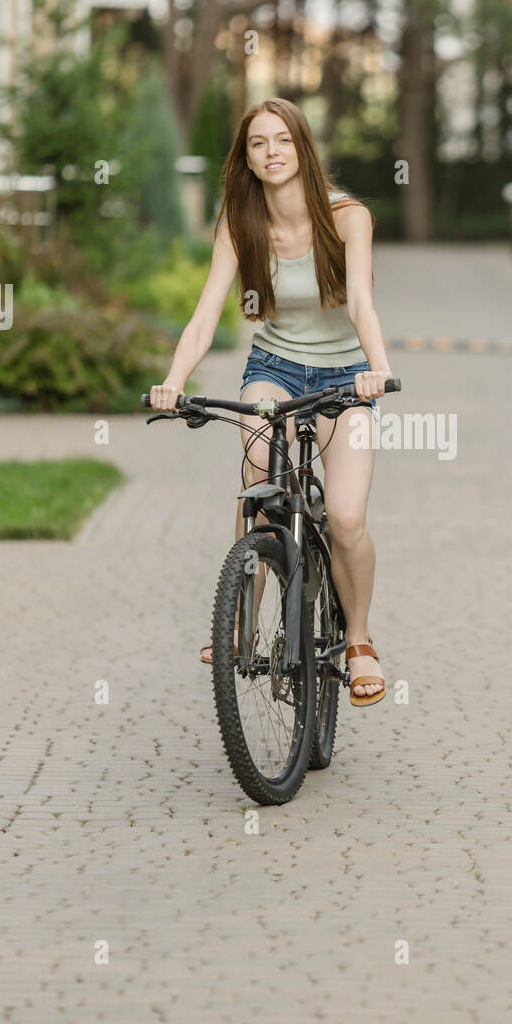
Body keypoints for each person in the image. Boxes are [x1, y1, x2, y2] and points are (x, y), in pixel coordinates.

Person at [149, 97, 393, 705]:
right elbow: (207, 314)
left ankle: (359, 640)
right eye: (258, 143)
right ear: (247, 159)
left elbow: (360, 301)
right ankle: (239, 624)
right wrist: (174, 379)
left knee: (345, 517)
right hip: (274, 370)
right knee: (259, 477)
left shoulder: (347, 217)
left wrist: (379, 370)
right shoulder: (239, 222)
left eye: (282, 140)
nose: (272, 152)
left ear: (302, 148)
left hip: (345, 378)